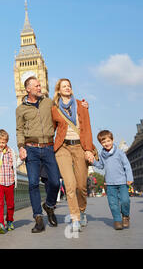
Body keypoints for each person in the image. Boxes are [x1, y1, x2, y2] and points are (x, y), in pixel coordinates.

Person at [51, 78, 97, 233]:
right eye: (64, 86)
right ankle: (75, 218)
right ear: (58, 90)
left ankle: (82, 210)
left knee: (81, 186)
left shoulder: (81, 105)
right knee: (70, 185)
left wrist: (89, 149)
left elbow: (88, 128)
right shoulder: (54, 108)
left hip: (80, 146)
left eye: (69, 86)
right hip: (63, 148)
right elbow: (51, 129)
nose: (67, 88)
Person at [16, 77, 61, 233]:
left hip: (49, 147)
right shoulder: (21, 109)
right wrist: (21, 147)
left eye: (40, 85)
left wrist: (82, 106)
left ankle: (49, 206)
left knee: (55, 182)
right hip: (31, 149)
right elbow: (19, 130)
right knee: (33, 184)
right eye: (36, 86)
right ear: (28, 89)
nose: (39, 87)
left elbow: (64, 108)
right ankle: (38, 218)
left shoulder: (48, 102)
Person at [91, 130, 134, 230]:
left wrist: (129, 178)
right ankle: (117, 220)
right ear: (101, 144)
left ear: (112, 140)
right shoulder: (102, 155)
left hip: (123, 182)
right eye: (103, 142)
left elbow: (127, 165)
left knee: (125, 201)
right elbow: (100, 165)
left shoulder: (119, 153)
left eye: (108, 141)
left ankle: (125, 216)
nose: (106, 144)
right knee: (113, 204)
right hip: (110, 184)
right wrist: (93, 161)